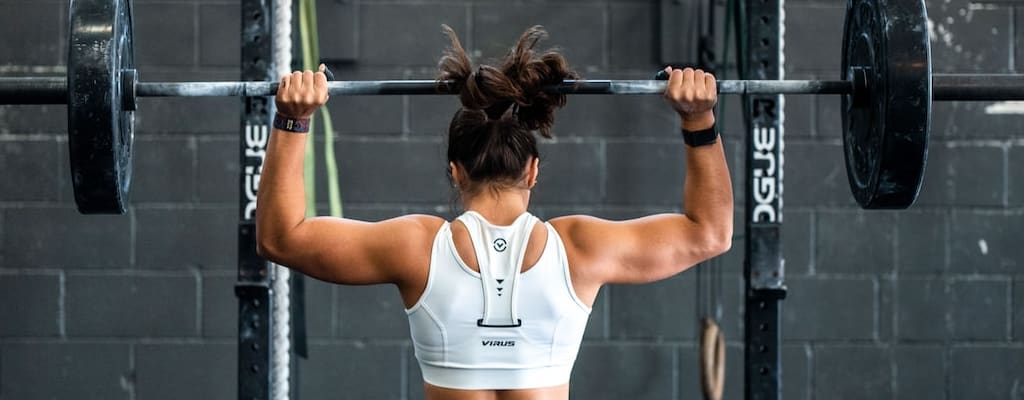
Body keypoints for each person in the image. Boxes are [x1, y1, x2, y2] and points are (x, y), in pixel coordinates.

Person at [256, 25, 733, 400]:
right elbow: (710, 232)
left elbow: (281, 237)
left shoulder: (417, 247)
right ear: (533, 171)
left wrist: (293, 119)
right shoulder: (580, 248)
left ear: (455, 172)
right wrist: (699, 120)